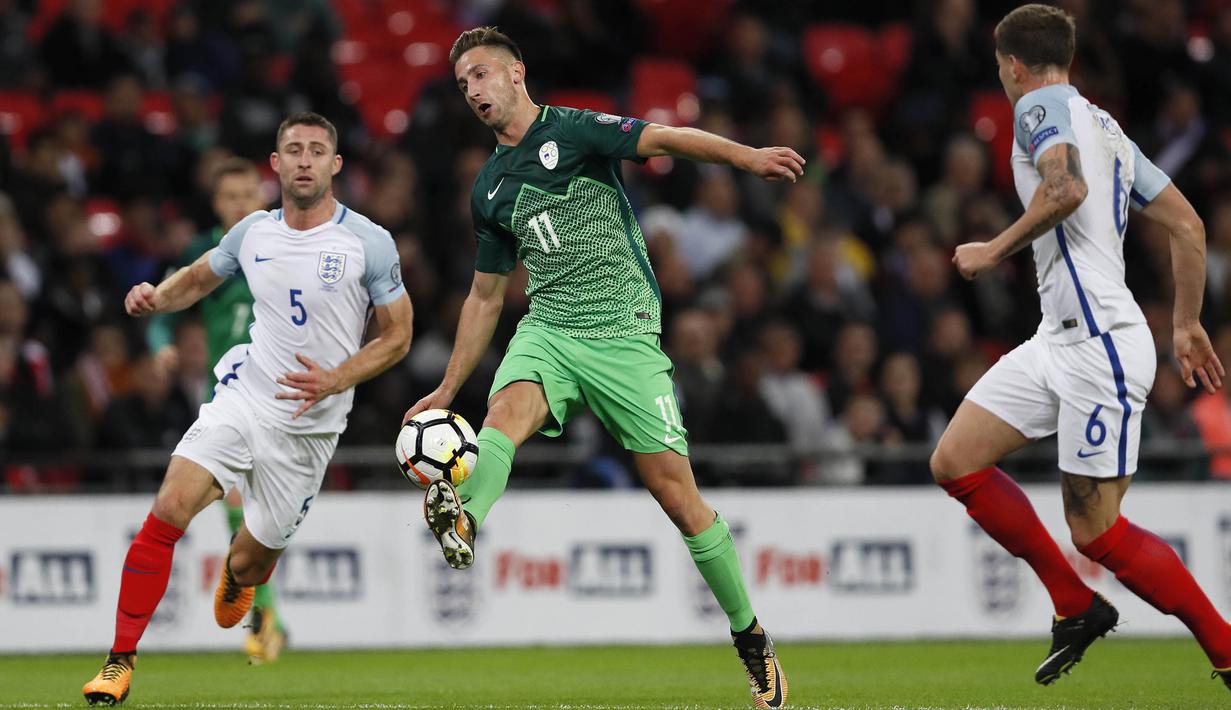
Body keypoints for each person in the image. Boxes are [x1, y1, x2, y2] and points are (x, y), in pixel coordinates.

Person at [403, 27, 802, 710]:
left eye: (482, 74)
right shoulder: (490, 189)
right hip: (550, 329)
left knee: (677, 497)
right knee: (502, 413)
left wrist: (747, 157)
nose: (472, 90)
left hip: (623, 334)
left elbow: (666, 139)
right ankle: (465, 518)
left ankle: (750, 636)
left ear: (516, 73)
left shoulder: (574, 131)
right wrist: (445, 388)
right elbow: (486, 295)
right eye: (463, 82)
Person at [932, 4, 1231, 690]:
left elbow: (1064, 187)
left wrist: (992, 250)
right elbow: (1188, 226)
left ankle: (1225, 648)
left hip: (1099, 346)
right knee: (954, 461)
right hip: (1057, 338)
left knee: (1095, 532)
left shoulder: (1036, 108)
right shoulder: (1107, 128)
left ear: (1013, 65)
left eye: (999, 67)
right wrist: (1186, 323)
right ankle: (1074, 603)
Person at [82, 112, 413, 706]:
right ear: (276, 165)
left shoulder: (368, 241)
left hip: (310, 431)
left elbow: (398, 336)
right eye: (295, 149)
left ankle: (239, 573)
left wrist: (337, 378)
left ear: (336, 164)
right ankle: (119, 660)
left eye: (317, 150)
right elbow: (196, 279)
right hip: (245, 395)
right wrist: (156, 299)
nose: (305, 159)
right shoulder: (252, 232)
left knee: (254, 563)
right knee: (170, 507)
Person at [146, 156, 290, 664]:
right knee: (238, 502)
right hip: (228, 395)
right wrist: (161, 343)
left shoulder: (284, 241)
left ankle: (265, 610)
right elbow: (163, 306)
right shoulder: (203, 251)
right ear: (215, 204)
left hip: (283, 394)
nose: (239, 204)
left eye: (247, 194)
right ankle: (266, 620)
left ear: (262, 196)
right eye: (229, 197)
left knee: (266, 514)